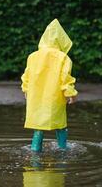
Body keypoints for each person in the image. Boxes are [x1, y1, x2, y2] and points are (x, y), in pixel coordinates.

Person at [21, 19, 78, 152]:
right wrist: (70, 94)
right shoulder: (63, 58)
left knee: (39, 125)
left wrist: (26, 90)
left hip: (37, 98)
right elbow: (65, 79)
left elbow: (26, 76)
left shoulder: (33, 56)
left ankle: (35, 150)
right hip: (55, 97)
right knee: (60, 124)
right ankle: (63, 149)